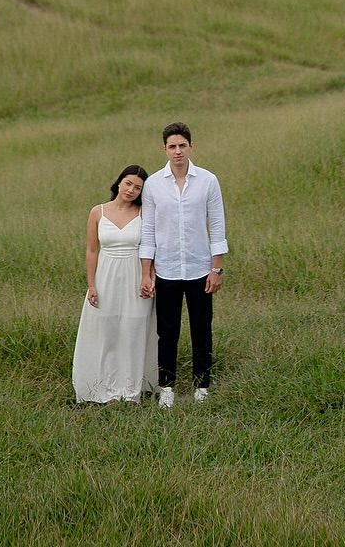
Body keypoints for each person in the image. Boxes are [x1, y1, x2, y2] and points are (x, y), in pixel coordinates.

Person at [138, 123, 228, 407]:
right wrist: (146, 272)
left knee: (202, 329)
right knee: (167, 331)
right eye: (172, 146)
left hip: (200, 269)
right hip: (166, 270)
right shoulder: (153, 184)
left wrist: (216, 268)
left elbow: (217, 225)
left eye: (182, 145)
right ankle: (167, 387)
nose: (177, 151)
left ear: (191, 147)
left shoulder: (208, 181)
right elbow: (148, 231)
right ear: (164, 149)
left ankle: (202, 386)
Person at [72, 163, 157, 403]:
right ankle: (102, 387)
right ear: (119, 182)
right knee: (106, 330)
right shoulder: (98, 212)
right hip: (106, 275)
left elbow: (151, 248)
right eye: (128, 183)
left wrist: (149, 277)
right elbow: (91, 251)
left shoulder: (145, 214)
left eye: (137, 188)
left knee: (133, 329)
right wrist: (92, 285)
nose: (131, 190)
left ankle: (130, 390)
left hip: (135, 275)